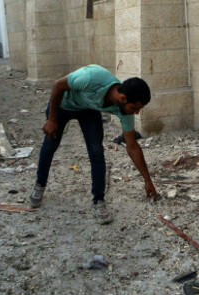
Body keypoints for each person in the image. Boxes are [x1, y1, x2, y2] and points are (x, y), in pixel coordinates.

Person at [29, 64, 158, 224]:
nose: (136, 113)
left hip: (88, 109)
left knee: (96, 152)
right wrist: (52, 119)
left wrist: (147, 180)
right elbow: (58, 85)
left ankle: (99, 201)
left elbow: (132, 147)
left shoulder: (124, 110)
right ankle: (39, 185)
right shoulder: (91, 77)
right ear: (123, 98)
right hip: (62, 105)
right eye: (135, 108)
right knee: (50, 145)